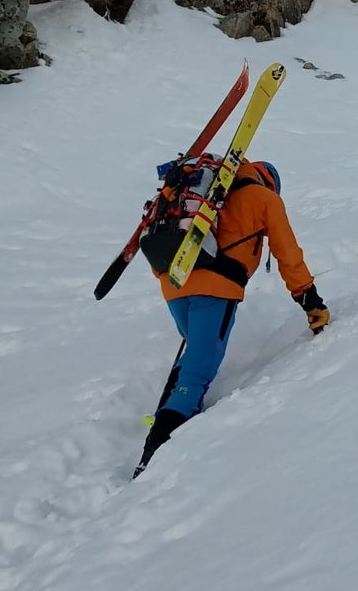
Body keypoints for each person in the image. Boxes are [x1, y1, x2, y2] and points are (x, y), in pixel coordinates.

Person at [135, 160, 328, 476]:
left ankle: (167, 412)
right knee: (197, 376)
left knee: (195, 352)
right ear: (272, 183)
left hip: (172, 281)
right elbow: (288, 254)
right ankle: (153, 460)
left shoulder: (206, 188)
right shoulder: (263, 198)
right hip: (217, 288)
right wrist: (310, 300)